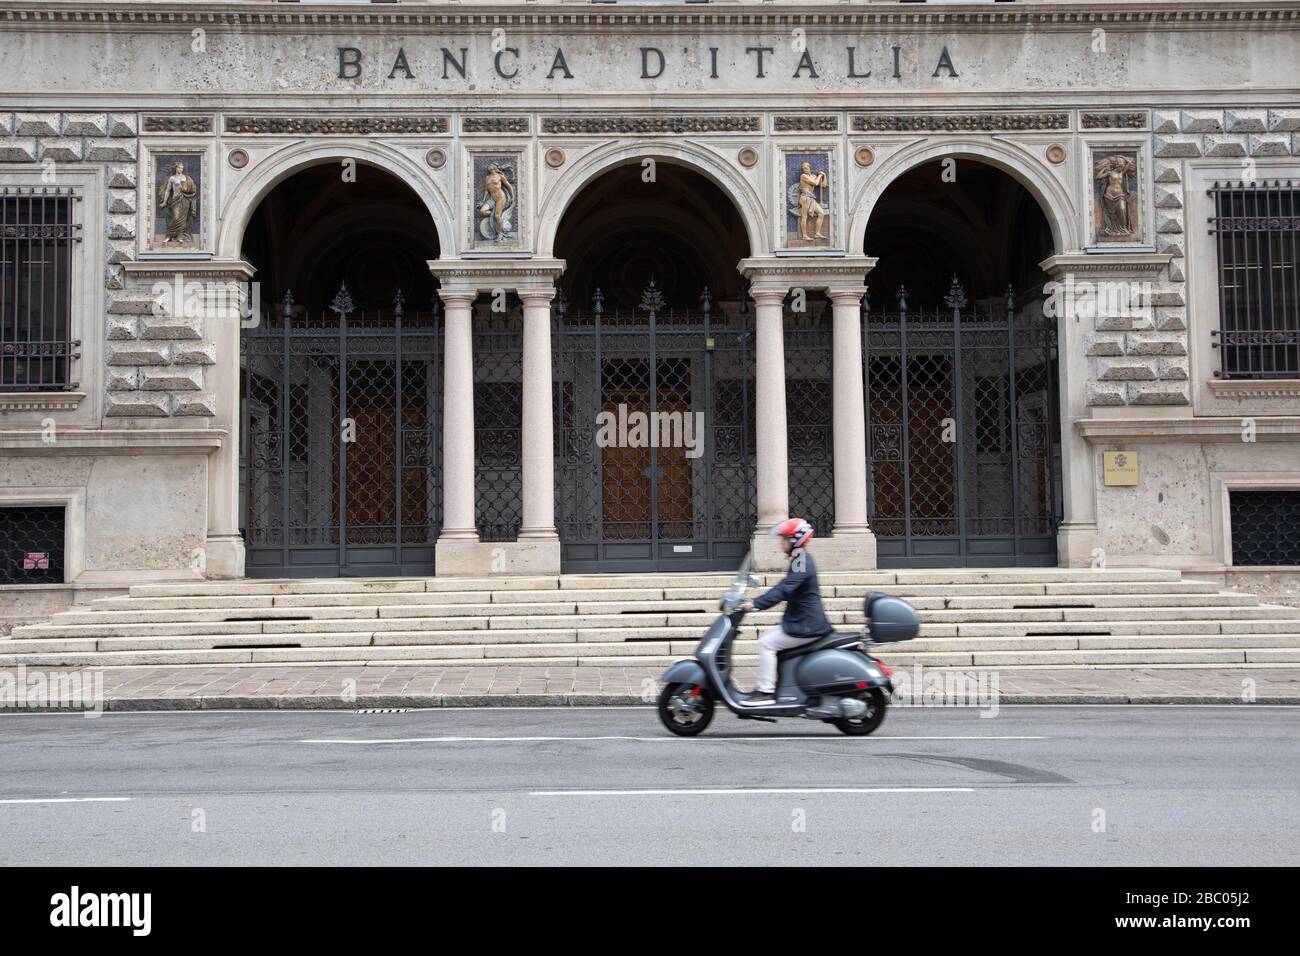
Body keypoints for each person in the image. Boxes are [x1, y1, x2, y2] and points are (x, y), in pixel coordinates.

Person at [738, 518, 833, 704]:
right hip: (802, 622)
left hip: (806, 625)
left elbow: (784, 589)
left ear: (795, 540)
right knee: (767, 637)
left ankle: (766, 692)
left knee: (766, 643)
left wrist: (756, 603)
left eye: (784, 539)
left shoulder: (801, 561)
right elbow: (786, 588)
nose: (781, 543)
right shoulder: (800, 559)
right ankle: (777, 685)